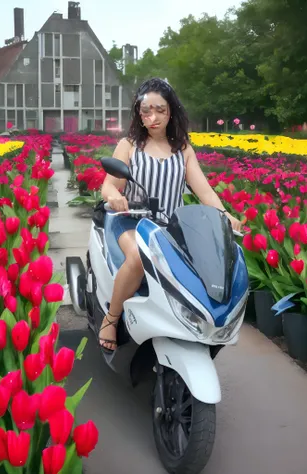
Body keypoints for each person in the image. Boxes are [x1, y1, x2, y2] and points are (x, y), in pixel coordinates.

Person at [99, 77, 242, 352]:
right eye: (146, 111)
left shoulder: (183, 150)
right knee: (139, 258)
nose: (152, 118)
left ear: (171, 111)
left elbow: (205, 192)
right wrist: (115, 197)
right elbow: (109, 184)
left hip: (169, 227)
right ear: (139, 114)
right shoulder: (128, 146)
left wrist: (225, 214)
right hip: (130, 221)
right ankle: (112, 317)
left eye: (160, 110)